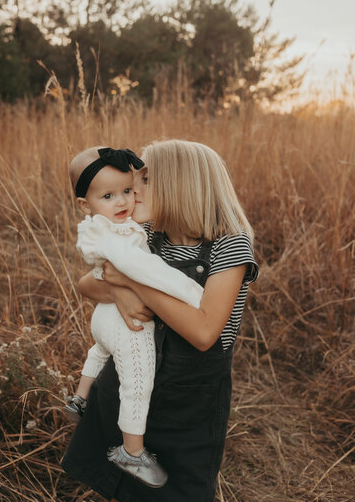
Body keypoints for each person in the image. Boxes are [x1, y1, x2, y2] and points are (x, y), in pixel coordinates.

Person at [61, 139, 258, 502]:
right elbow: (87, 284)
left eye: (146, 179)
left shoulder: (230, 246)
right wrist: (119, 290)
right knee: (122, 487)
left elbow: (203, 332)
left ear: (180, 186)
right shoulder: (151, 236)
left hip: (187, 403)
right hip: (128, 387)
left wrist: (131, 281)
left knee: (175, 492)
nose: (134, 189)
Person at [65, 146, 204, 488]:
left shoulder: (109, 227)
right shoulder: (117, 238)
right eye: (109, 195)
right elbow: (149, 270)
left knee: (100, 351)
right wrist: (194, 295)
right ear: (86, 205)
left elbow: (98, 281)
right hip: (123, 322)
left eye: (127, 190)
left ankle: (80, 397)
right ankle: (132, 450)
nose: (123, 201)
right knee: (138, 378)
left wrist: (117, 291)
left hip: (105, 315)